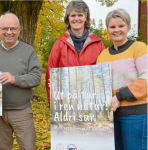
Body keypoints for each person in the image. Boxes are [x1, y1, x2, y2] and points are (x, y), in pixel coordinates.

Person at [0, 12, 42, 150]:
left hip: (22, 111)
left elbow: (36, 77)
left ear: (19, 30)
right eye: (5, 28)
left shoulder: (28, 51)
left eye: (13, 29)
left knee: (28, 147)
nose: (9, 32)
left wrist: (15, 79)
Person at [97, 9, 147, 150]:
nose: (117, 30)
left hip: (135, 115)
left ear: (128, 27)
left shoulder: (139, 48)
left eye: (121, 26)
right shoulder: (103, 55)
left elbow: (146, 80)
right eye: (112, 27)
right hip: (109, 117)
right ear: (107, 29)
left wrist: (119, 96)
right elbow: (98, 84)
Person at [45, 0, 105, 106]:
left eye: (80, 15)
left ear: (85, 17)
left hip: (91, 104)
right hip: (66, 104)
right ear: (68, 18)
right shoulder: (59, 44)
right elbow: (50, 76)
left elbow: (104, 76)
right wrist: (53, 105)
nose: (76, 19)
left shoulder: (98, 43)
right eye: (73, 15)